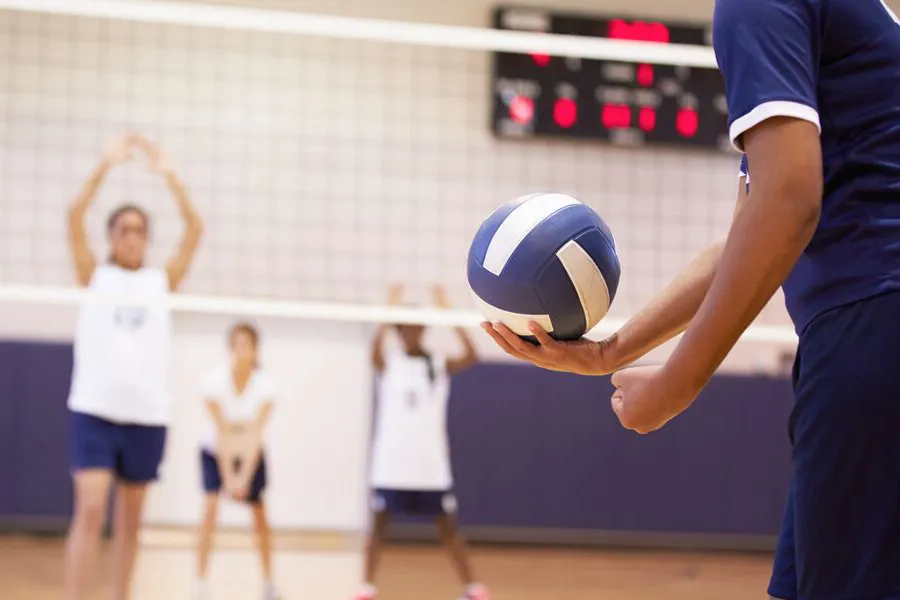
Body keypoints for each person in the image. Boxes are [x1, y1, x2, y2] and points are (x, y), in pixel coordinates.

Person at [484, 1, 900, 599]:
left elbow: (787, 202)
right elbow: (750, 231)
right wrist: (612, 352)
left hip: (872, 326)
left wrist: (677, 385)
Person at [65, 133, 204, 600]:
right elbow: (72, 217)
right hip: (96, 411)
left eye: (139, 229)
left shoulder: (160, 281)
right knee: (89, 510)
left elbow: (196, 228)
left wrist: (170, 176)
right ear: (111, 237)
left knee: (131, 522)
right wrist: (104, 166)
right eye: (122, 229)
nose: (131, 236)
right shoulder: (95, 275)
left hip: (147, 415)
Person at [354, 285, 489, 600]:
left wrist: (449, 312)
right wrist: (388, 311)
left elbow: (472, 355)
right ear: (399, 331)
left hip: (429, 467)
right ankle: (366, 587)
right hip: (391, 466)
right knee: (378, 527)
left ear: (424, 329)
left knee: (448, 529)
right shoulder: (388, 362)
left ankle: (472, 587)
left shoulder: (438, 363)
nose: (412, 332)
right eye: (406, 327)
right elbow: (372, 351)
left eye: (417, 326)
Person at [194, 322, 282, 600]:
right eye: (238, 344)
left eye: (248, 344)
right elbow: (222, 432)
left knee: (260, 517)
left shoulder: (266, 386)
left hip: (250, 454)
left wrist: (244, 477)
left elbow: (256, 433)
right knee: (209, 510)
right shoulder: (213, 382)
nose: (243, 350)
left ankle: (269, 583)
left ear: (256, 349)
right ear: (230, 348)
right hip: (216, 452)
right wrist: (229, 478)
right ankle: (199, 583)